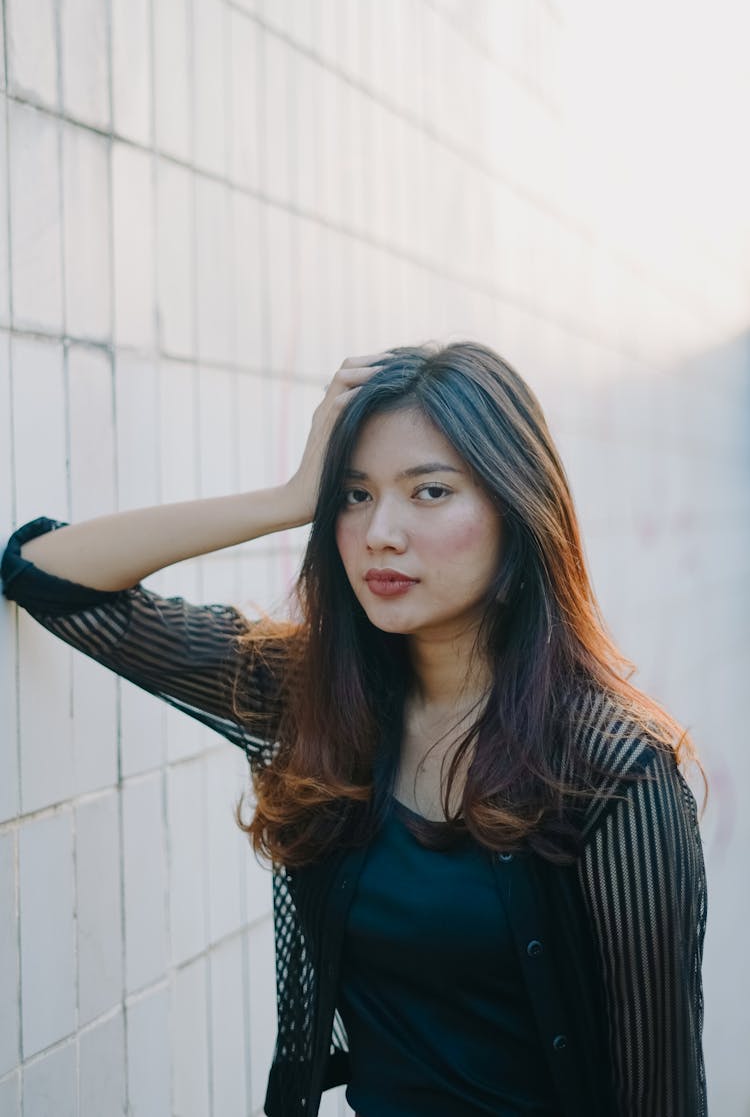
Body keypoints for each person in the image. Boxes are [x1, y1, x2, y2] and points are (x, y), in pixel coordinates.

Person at [1, 340, 708, 1117]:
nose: (381, 533)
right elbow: (46, 575)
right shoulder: (312, 698)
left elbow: (661, 1095)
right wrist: (290, 496)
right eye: (356, 495)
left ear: (517, 509)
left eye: (429, 492)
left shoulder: (611, 769)